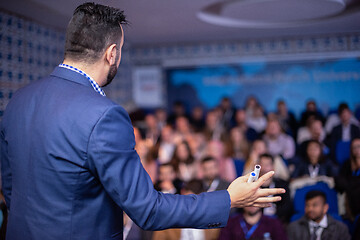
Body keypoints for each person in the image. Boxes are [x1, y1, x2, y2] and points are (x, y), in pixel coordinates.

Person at [0, 3, 284, 239]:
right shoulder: (104, 115)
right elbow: (148, 210)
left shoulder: (18, 101)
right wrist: (229, 198)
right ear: (112, 53)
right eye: (120, 51)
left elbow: (11, 190)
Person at [219, 206, 288, 240]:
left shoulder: (273, 222)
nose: (252, 204)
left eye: (256, 200)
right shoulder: (231, 221)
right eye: (249, 200)